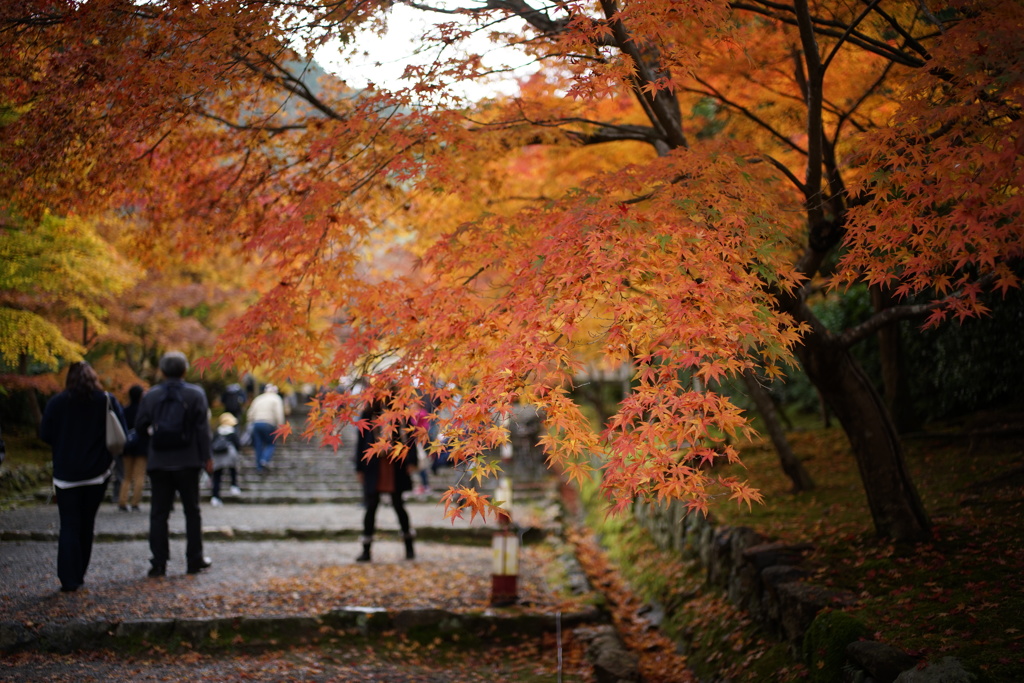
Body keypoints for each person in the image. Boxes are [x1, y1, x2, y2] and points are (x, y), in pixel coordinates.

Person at [39, 361, 125, 592]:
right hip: (97, 473)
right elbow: (122, 432)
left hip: (66, 474)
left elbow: (45, 434)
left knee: (69, 524)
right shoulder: (104, 400)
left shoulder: (57, 402)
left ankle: (69, 579)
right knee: (87, 524)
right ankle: (80, 572)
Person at [135, 351, 213, 578]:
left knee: (159, 513)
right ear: (185, 371)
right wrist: (206, 456)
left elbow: (140, 426)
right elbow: (202, 429)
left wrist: (152, 442)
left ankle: (158, 563)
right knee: (192, 511)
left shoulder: (151, 396)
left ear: (161, 371)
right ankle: (194, 559)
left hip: (159, 461)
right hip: (188, 460)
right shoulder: (195, 394)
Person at [354, 397, 416, 562]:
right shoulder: (367, 414)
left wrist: (412, 460)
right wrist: (359, 468)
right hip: (373, 466)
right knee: (371, 506)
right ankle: (366, 550)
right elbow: (361, 441)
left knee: (398, 505)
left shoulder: (401, 412)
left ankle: (409, 546)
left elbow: (411, 436)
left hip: (396, 465)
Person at [118, 384, 147, 512]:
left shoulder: (124, 410)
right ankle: (135, 502)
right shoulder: (145, 411)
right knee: (139, 476)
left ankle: (122, 501)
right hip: (141, 447)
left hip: (128, 445)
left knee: (126, 476)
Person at [246, 384, 285, 474]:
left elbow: (250, 413)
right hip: (269, 423)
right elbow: (279, 414)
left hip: (256, 423)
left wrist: (250, 422)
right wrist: (280, 427)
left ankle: (259, 466)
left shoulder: (259, 398)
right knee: (270, 443)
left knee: (258, 445)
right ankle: (264, 459)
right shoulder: (276, 399)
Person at [209, 412, 242, 506]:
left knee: (217, 477)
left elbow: (212, 444)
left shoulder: (217, 432)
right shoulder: (232, 432)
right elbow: (238, 444)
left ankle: (215, 497)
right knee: (233, 470)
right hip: (230, 455)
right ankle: (234, 486)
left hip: (218, 456)